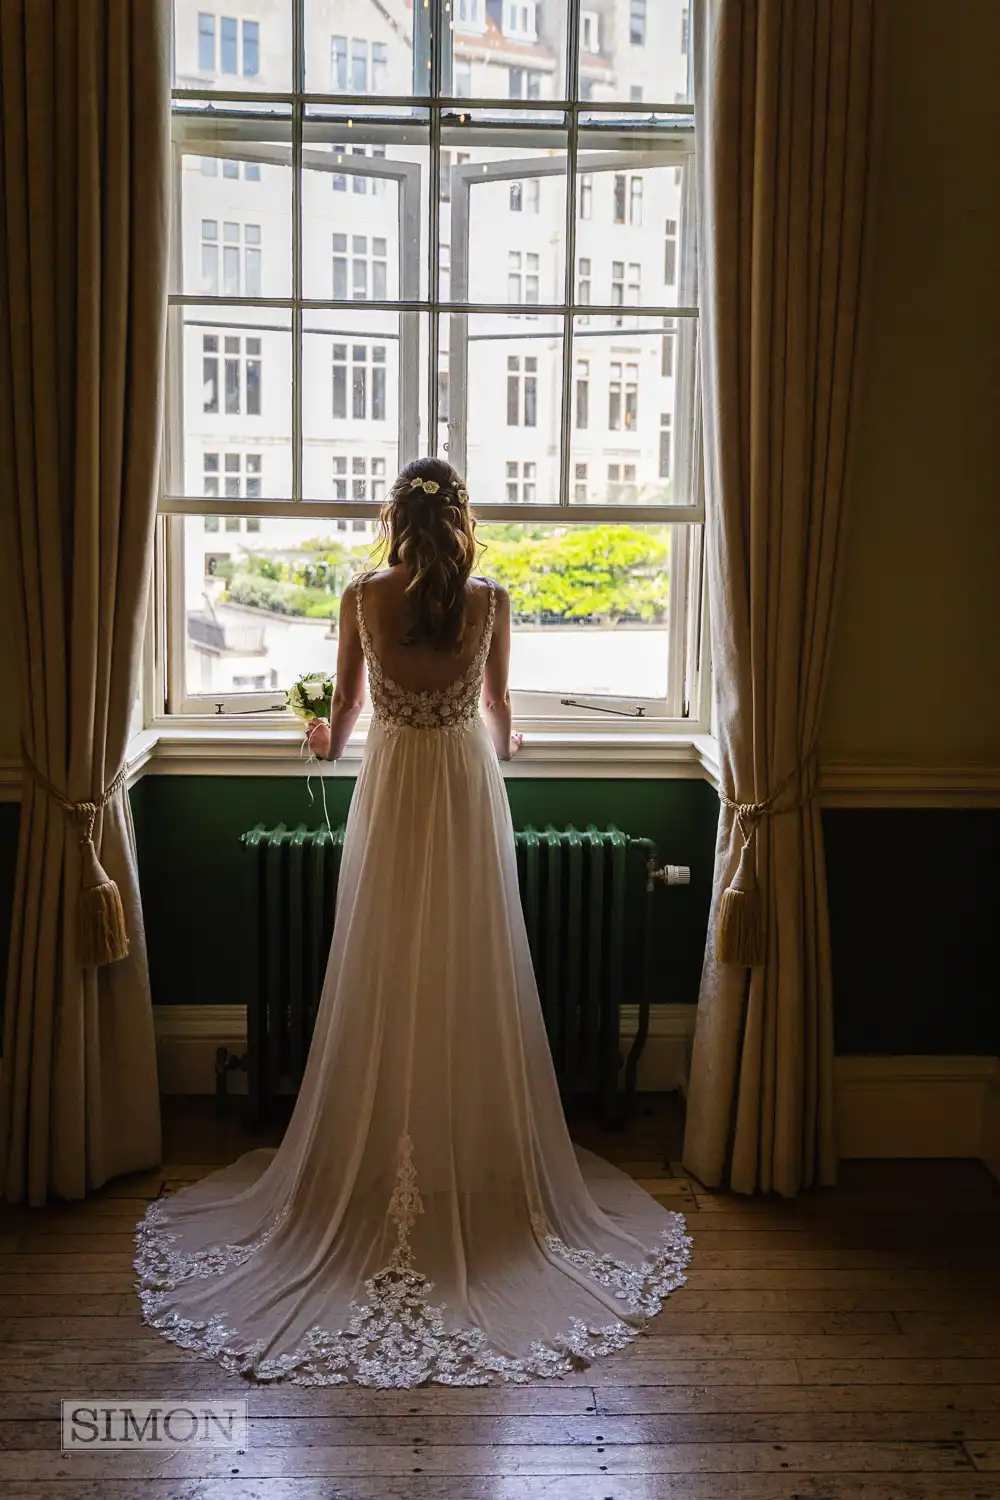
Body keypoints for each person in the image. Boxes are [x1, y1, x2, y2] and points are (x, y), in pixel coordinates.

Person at [134, 458, 690, 1387]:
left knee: (385, 965)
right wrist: (512, 742)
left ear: (393, 515)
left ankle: (387, 1148)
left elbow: (346, 719)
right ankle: (469, 1161)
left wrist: (316, 734)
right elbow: (501, 718)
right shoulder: (491, 599)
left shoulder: (361, 596)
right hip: (464, 797)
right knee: (468, 967)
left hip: (393, 799)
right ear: (462, 519)